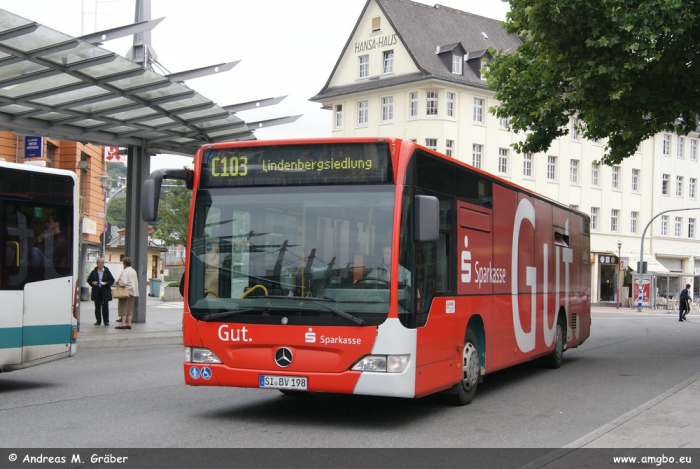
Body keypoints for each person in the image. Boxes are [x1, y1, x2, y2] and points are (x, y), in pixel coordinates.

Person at [87, 258, 114, 326]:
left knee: (105, 306)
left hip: (104, 291)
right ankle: (98, 320)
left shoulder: (106, 271)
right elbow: (89, 280)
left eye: (102, 262)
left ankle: (106, 321)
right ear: (97, 263)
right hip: (97, 291)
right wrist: (92, 283)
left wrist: (106, 283)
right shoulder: (94, 271)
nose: (100, 263)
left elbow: (112, 280)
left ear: (103, 263)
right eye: (99, 262)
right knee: (97, 307)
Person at [114, 257, 139, 330]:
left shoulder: (125, 271)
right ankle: (129, 324)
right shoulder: (133, 271)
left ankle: (122, 324)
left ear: (124, 264)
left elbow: (123, 282)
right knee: (130, 308)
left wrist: (118, 283)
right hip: (132, 291)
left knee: (123, 307)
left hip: (125, 291)